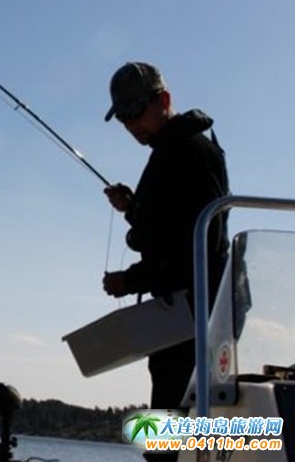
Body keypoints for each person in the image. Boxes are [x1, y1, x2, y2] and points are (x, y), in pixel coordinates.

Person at [101, 62, 230, 419]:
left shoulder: (192, 153)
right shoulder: (169, 152)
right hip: (181, 314)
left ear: (164, 100)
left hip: (196, 316)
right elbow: (170, 226)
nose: (130, 123)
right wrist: (133, 208)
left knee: (175, 426)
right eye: (122, 116)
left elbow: (199, 249)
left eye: (135, 111)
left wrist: (131, 281)